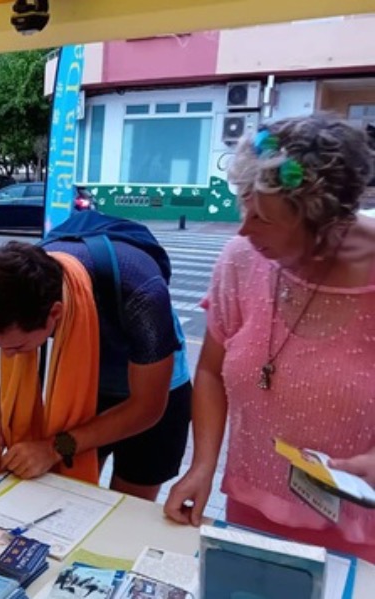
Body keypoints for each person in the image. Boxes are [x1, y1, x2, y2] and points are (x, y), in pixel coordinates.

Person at [163, 115, 375, 562]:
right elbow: (210, 372)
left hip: (357, 531)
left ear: (326, 225)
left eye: (263, 218)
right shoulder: (241, 260)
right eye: (243, 206)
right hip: (249, 509)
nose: (243, 230)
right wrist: (202, 465)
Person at [0, 239, 191, 499]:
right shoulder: (21, 277)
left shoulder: (141, 296)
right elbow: (16, 376)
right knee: (76, 495)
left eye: (18, 346)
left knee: (129, 505)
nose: (10, 356)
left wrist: (53, 448)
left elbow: (147, 407)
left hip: (155, 394)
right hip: (89, 385)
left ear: (55, 313)